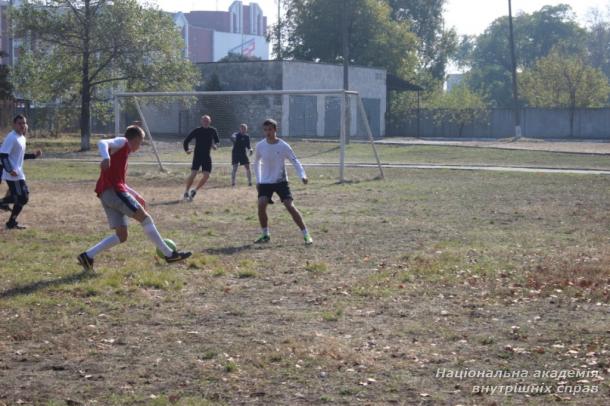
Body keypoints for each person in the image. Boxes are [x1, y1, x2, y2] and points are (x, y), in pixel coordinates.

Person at [77, 125, 191, 271]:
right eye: (141, 142)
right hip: (114, 192)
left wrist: (136, 195)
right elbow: (102, 142)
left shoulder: (123, 154)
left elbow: (121, 182)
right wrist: (105, 157)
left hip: (106, 194)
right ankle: (169, 254)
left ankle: (87, 256)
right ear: (136, 139)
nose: (140, 145)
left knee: (122, 235)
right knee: (145, 219)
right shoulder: (123, 142)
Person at [253, 118, 313, 245]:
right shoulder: (260, 146)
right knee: (261, 204)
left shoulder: (284, 146)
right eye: (265, 130)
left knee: (289, 205)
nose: (268, 132)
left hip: (281, 180)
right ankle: (265, 234)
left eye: (270, 129)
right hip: (265, 182)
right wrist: (258, 181)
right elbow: (256, 162)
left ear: (275, 130)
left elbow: (294, 161)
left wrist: (302, 175)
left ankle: (306, 234)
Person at [0, 115, 41, 229]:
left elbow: (19, 156)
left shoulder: (21, 137)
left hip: (19, 173)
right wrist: (10, 169)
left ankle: (11, 223)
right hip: (12, 174)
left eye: (24, 123)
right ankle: (3, 207)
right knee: (22, 198)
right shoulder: (11, 137)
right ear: (14, 124)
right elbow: (3, 155)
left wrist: (33, 155)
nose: (22, 125)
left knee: (21, 198)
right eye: (19, 123)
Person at [182, 114, 219, 201]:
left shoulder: (213, 130)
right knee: (193, 174)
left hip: (207, 156)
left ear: (210, 121)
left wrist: (215, 146)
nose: (206, 122)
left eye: (207, 121)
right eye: (204, 120)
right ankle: (186, 191)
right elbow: (186, 141)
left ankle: (194, 191)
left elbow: (217, 141)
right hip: (197, 156)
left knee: (207, 176)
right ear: (201, 121)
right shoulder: (197, 130)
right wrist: (187, 150)